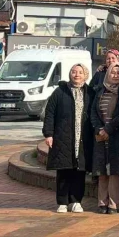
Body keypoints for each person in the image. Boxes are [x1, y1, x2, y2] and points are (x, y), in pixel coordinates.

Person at [42, 63, 94, 213]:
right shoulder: (60, 92)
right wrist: (48, 134)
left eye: (80, 72)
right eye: (74, 72)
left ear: (85, 75)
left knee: (80, 171)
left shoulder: (90, 93)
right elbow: (50, 113)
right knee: (64, 170)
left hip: (82, 137)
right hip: (63, 137)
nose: (76, 74)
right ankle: (62, 202)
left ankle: (76, 201)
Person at [90, 62, 119, 214]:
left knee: (115, 172)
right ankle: (102, 202)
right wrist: (99, 128)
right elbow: (93, 112)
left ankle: (114, 204)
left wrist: (109, 128)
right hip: (101, 135)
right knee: (101, 171)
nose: (116, 75)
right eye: (113, 72)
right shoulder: (101, 90)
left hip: (116, 134)